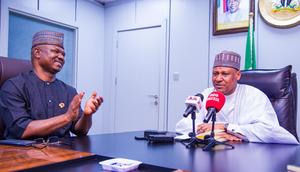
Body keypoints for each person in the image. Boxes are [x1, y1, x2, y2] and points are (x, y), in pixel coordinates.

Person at [176, 50, 299, 144]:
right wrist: (214, 132)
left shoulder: (254, 96)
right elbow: (183, 126)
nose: (218, 79)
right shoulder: (206, 94)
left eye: (224, 74)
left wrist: (226, 127)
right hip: (210, 151)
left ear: (238, 75)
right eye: (215, 73)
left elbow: (270, 131)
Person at [0, 30, 103, 139]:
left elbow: (80, 131)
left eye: (63, 54)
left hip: (64, 152)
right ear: (37, 53)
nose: (61, 57)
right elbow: (22, 129)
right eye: (56, 51)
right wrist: (66, 117)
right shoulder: (13, 87)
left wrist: (87, 115)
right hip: (24, 154)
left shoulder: (69, 91)